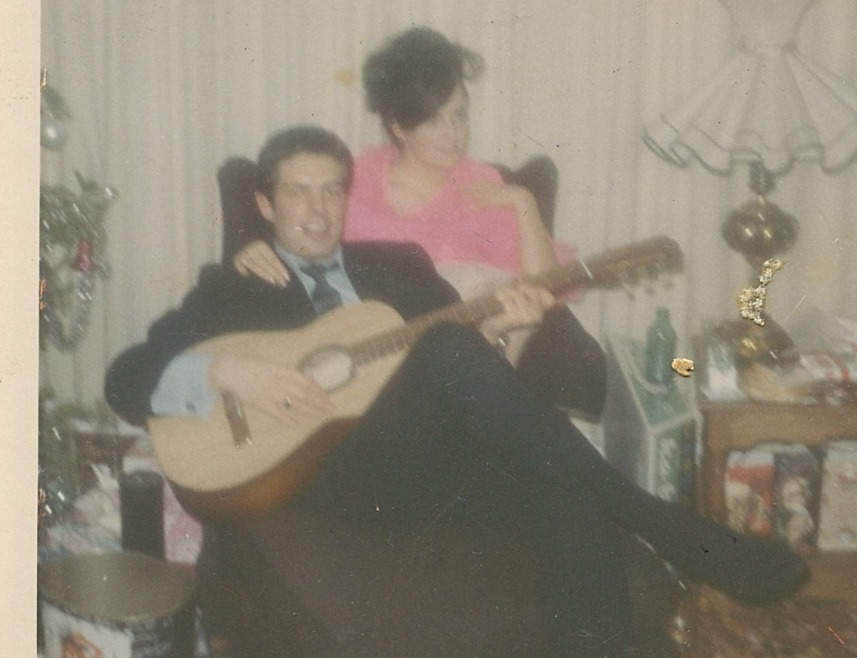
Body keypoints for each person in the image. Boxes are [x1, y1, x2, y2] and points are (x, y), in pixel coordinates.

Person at [105, 125, 809, 657]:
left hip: (433, 461)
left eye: (332, 190)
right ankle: (671, 527)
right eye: (297, 191)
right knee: (450, 353)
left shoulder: (398, 264)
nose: (318, 209)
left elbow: (464, 364)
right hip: (332, 470)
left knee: (558, 478)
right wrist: (226, 373)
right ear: (265, 202)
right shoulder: (232, 285)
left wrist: (503, 328)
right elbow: (125, 378)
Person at [232, 27, 565, 364]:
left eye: (459, 115)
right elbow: (297, 228)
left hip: (463, 350)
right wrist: (251, 247)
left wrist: (523, 202)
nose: (454, 134)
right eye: (433, 121)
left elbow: (545, 287)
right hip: (369, 345)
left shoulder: (483, 184)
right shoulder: (354, 179)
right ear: (398, 127)